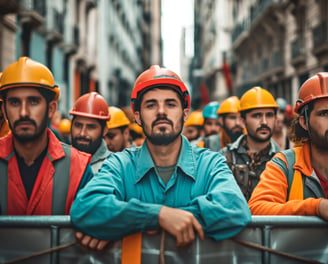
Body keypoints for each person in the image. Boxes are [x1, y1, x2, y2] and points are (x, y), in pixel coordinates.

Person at [70, 65, 251, 249]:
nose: (161, 111)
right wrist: (159, 216)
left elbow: (235, 209)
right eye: (151, 105)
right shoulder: (120, 164)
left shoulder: (211, 164)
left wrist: (122, 225)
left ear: (185, 113)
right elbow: (86, 207)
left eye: (170, 104)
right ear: (138, 117)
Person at [0, 56, 93, 215]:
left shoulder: (79, 168)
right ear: (4, 109)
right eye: (15, 102)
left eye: (33, 101)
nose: (23, 113)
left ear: (51, 109)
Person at [248, 72, 328, 220]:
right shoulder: (285, 164)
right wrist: (316, 207)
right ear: (304, 122)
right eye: (325, 113)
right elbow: (257, 208)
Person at [220, 87, 280, 200]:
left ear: (276, 119)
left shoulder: (283, 160)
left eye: (269, 115)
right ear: (243, 121)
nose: (264, 122)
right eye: (257, 115)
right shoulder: (224, 157)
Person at [70, 92, 111, 174]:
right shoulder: (61, 161)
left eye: (90, 127)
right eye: (78, 125)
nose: (82, 133)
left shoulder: (113, 167)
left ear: (104, 130)